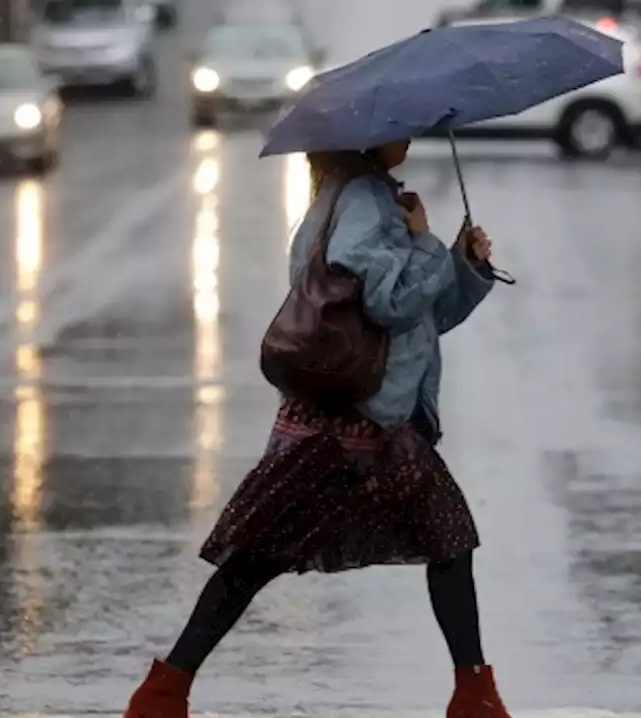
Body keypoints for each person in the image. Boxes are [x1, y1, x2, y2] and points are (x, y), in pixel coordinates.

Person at [123, 138, 509, 718]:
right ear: (371, 138)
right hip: (360, 422)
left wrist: (462, 264)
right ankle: (475, 699)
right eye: (398, 128)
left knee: (261, 558)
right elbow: (389, 303)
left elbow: (420, 321)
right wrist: (427, 243)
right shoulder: (364, 201)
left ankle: (164, 693)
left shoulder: (348, 196)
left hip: (347, 417)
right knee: (442, 541)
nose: (407, 137)